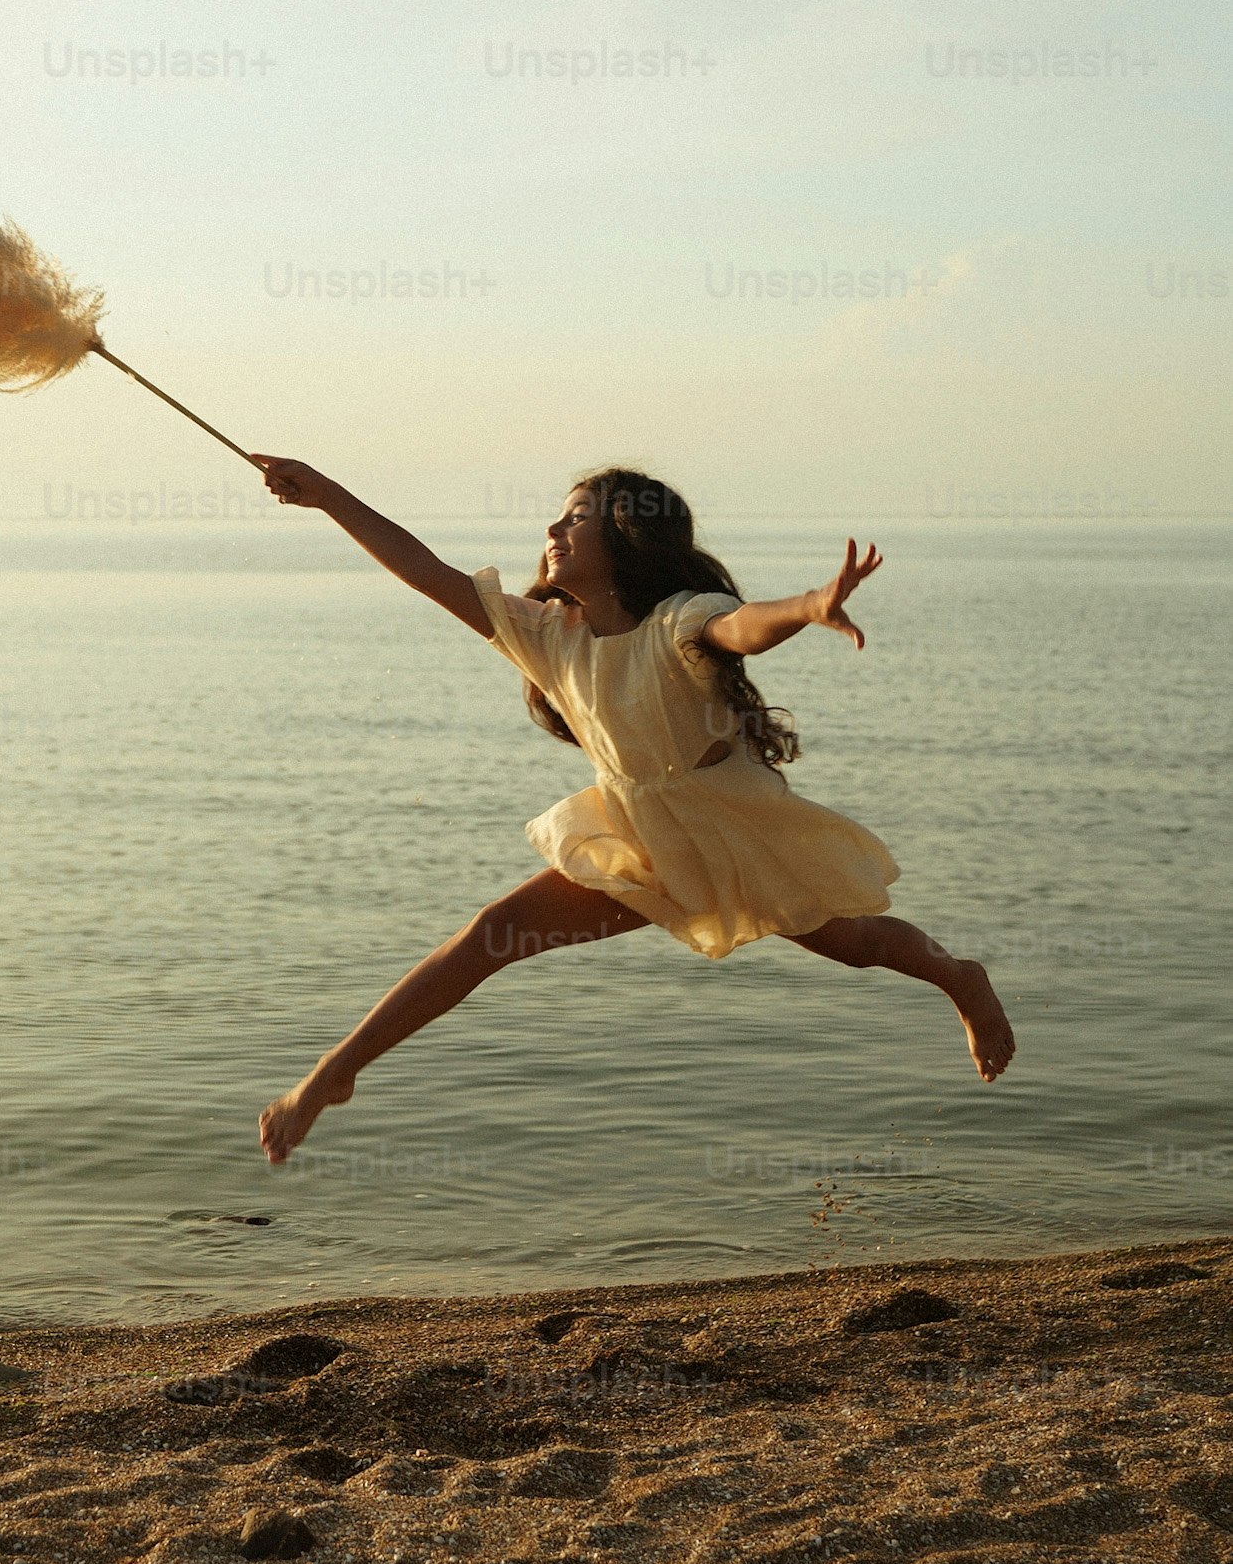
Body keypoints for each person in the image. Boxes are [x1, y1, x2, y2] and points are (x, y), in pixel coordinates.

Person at [248, 457, 1014, 1166]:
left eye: (575, 517)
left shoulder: (678, 620)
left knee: (853, 942)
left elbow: (739, 627)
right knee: (492, 933)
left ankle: (960, 979)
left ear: (625, 536)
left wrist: (811, 605)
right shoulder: (547, 636)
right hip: (638, 837)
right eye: (557, 516)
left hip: (737, 833)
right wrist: (324, 492)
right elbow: (424, 571)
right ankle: (332, 1072)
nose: (552, 530)